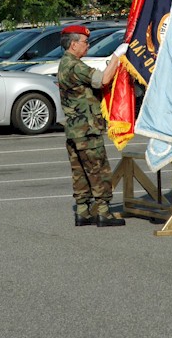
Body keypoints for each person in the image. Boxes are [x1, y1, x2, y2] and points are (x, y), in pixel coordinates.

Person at [58, 24, 129, 227]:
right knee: (98, 170)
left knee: (80, 171)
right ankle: (103, 212)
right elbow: (103, 80)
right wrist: (116, 56)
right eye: (85, 42)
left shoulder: (65, 63)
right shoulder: (75, 65)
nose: (88, 45)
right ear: (73, 44)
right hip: (87, 129)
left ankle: (83, 211)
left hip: (74, 129)